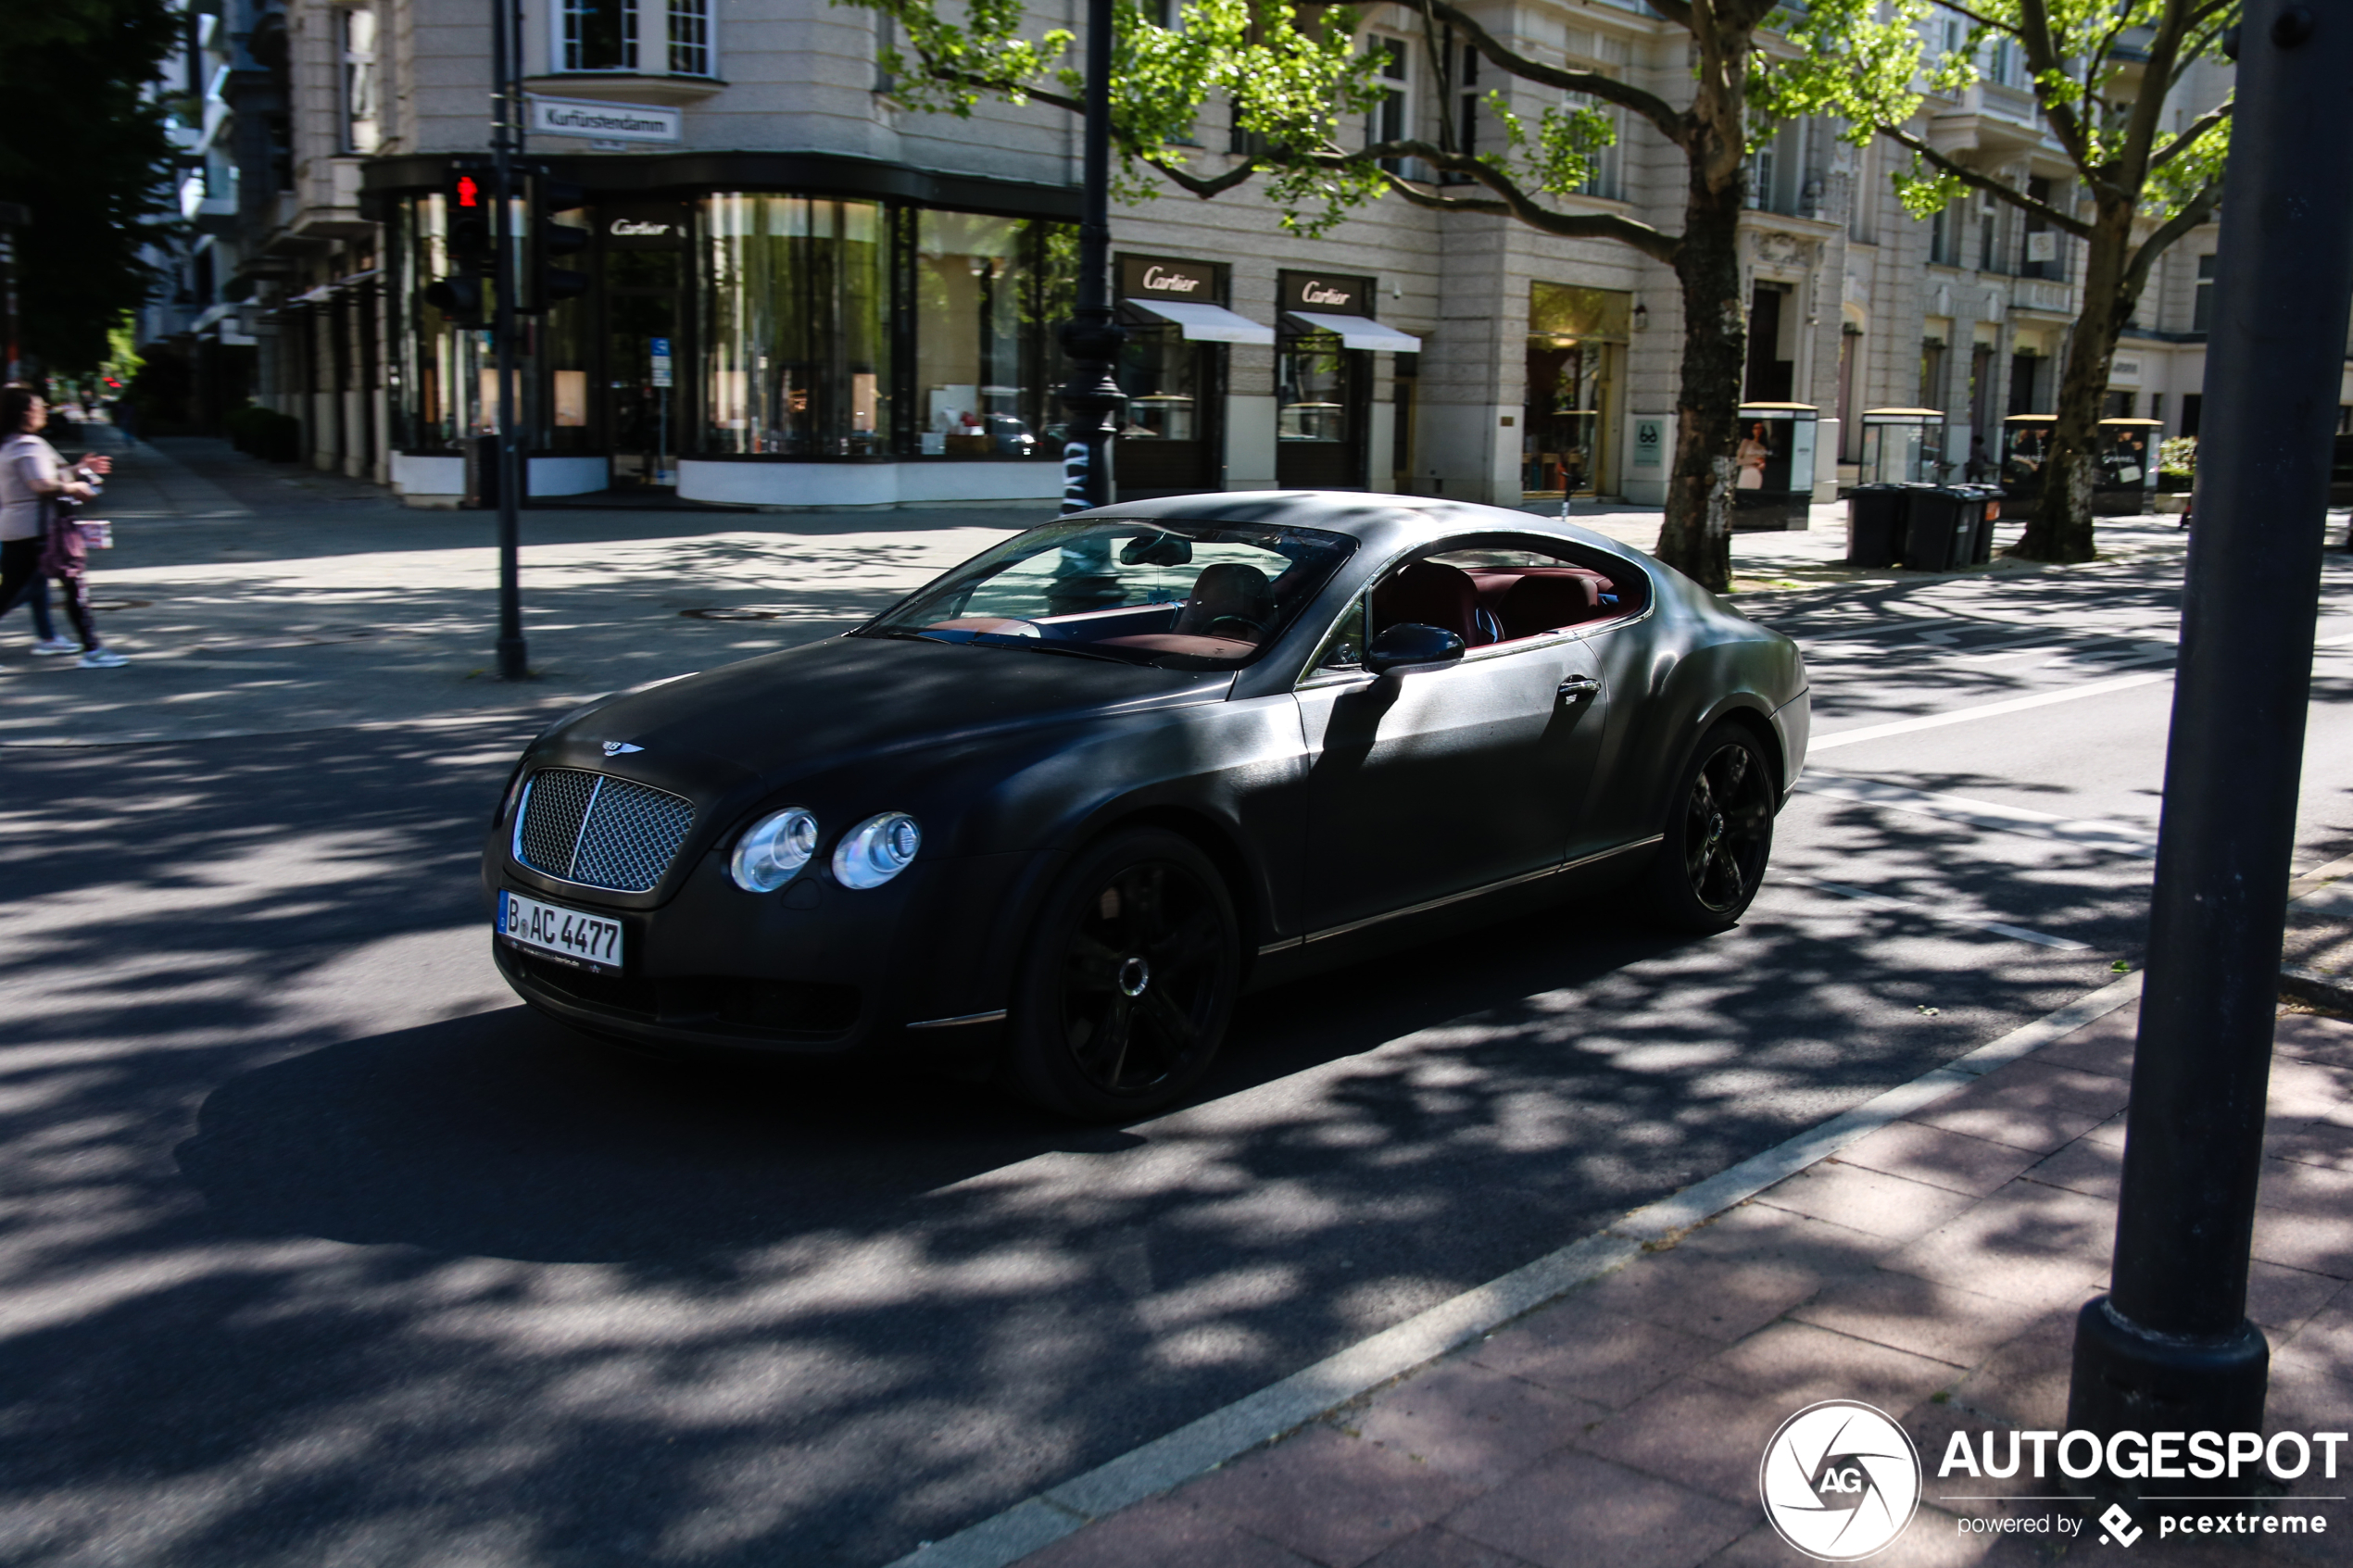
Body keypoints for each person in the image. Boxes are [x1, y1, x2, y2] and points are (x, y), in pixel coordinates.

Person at [0, 385, 122, 667]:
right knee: (68, 587)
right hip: (37, 531)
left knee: (35, 590)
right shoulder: (26, 446)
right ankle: (92, 651)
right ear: (24, 413)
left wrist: (79, 468)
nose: (44, 410)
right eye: (39, 406)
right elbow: (42, 484)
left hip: (26, 530)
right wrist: (74, 485)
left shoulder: (15, 443)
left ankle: (91, 649)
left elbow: (50, 474)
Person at [1736, 422, 1770, 490]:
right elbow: (1738, 460)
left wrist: (1762, 465)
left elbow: (1763, 464)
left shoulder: (1763, 447)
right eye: (1755, 428)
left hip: (1757, 474)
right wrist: (1754, 460)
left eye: (1760, 428)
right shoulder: (1746, 442)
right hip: (1746, 472)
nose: (1758, 430)